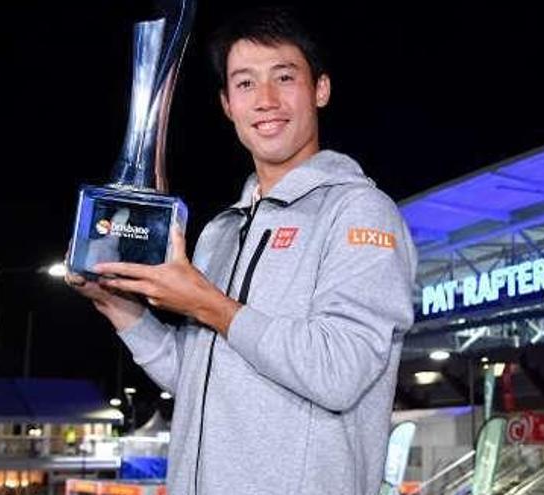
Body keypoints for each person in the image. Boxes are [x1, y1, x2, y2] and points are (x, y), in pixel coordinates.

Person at [65, 6, 416, 495]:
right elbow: (201, 379)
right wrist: (120, 309)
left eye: (284, 77)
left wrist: (206, 302)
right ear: (227, 104)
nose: (266, 100)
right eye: (246, 83)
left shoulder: (360, 212)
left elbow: (340, 372)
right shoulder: (220, 231)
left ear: (320, 89)